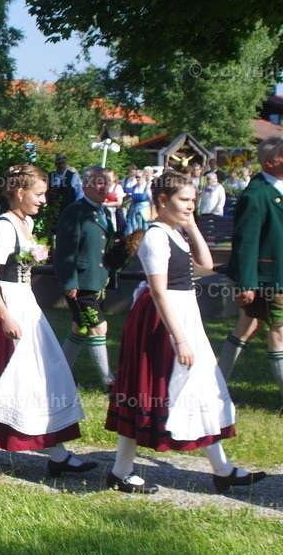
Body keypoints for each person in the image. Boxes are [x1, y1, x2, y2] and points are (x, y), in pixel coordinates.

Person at [106, 171, 266, 494]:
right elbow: (159, 291)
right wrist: (179, 338)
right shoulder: (155, 236)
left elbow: (206, 263)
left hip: (183, 314)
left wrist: (192, 225)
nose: (191, 205)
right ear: (162, 201)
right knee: (148, 391)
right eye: (184, 200)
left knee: (202, 385)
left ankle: (222, 470)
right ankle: (121, 471)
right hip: (162, 321)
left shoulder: (175, 232)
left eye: (194, 200)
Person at [0, 165, 91, 477]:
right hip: (4, 305)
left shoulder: (26, 223)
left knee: (43, 375)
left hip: (24, 303)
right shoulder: (2, 227)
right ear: (20, 192)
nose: (44, 200)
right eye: (39, 194)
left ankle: (57, 452)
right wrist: (5, 316)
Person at [223, 137, 283, 404]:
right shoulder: (256, 194)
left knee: (248, 327)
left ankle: (215, 384)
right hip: (269, 278)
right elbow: (246, 243)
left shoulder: (275, 189)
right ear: (270, 162)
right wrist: (246, 283)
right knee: (279, 330)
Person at [56, 166, 117, 389]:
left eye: (106, 182)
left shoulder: (103, 211)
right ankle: (108, 380)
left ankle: (60, 375)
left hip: (97, 280)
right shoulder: (75, 211)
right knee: (99, 327)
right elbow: (65, 249)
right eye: (98, 182)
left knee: (79, 326)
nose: (104, 187)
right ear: (85, 185)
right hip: (81, 283)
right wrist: (69, 281)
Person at [46, 154, 82, 227]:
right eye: (59, 163)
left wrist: (76, 207)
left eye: (63, 163)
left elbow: (79, 193)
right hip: (51, 211)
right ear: (55, 164)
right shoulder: (49, 176)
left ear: (66, 163)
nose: (61, 165)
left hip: (68, 209)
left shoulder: (73, 176)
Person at [124, 166, 153, 233]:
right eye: (136, 177)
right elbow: (132, 201)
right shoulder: (134, 187)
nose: (137, 179)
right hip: (134, 210)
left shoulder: (147, 187)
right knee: (133, 227)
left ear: (143, 177)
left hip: (145, 211)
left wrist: (152, 214)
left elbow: (152, 202)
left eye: (139, 177)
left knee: (144, 228)